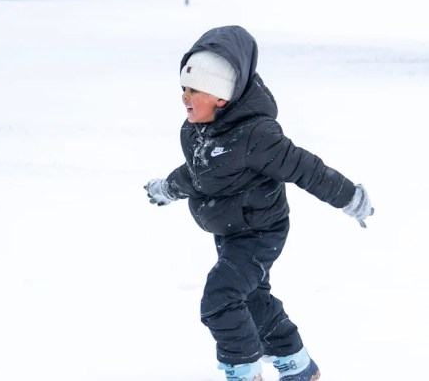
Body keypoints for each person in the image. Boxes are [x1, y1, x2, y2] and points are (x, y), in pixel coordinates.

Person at [144, 25, 373, 381]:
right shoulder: (195, 129)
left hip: (259, 231)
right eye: (183, 88)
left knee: (220, 300)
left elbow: (306, 168)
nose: (185, 97)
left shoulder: (257, 135)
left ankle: (244, 371)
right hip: (230, 230)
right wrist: (167, 189)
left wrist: (350, 198)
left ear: (222, 97)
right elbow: (199, 172)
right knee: (251, 298)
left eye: (195, 90)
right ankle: (298, 365)